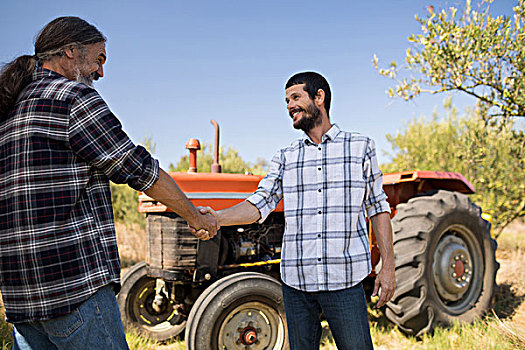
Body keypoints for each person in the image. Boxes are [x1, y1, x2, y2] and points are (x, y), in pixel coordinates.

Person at [0, 16, 217, 350]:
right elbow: (140, 170)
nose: (101, 72)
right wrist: (194, 217)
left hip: (21, 298)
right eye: (99, 59)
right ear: (71, 51)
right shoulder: (72, 99)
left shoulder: (10, 109)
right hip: (72, 289)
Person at [196, 72, 395, 349]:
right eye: (286, 100)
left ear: (320, 97)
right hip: (297, 285)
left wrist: (388, 267)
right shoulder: (286, 156)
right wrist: (217, 218)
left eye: (295, 97)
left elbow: (378, 208)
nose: (289, 105)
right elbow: (260, 204)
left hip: (345, 282)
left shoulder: (360, 147)